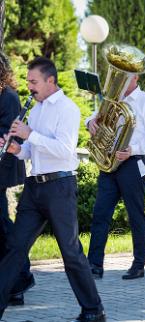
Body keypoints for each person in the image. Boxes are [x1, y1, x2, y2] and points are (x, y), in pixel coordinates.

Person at [0, 57, 105, 322]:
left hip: (60, 186)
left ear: (50, 81)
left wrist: (29, 135)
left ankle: (94, 310)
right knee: (14, 247)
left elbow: (63, 149)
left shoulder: (67, 109)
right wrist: (16, 149)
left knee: (70, 252)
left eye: (34, 82)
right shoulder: (36, 109)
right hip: (35, 187)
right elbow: (31, 151)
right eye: (28, 82)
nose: (30, 87)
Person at [86, 74, 145, 280]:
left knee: (136, 215)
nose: (119, 79)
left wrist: (133, 149)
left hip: (133, 162)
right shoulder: (112, 98)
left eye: (125, 75)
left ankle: (138, 265)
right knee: (100, 214)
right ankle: (94, 265)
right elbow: (94, 118)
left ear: (136, 77)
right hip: (109, 163)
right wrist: (90, 123)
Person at [0, 51, 34, 307]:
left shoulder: (9, 97)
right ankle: (16, 280)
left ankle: (20, 279)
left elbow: (10, 132)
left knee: (4, 226)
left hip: (4, 167)